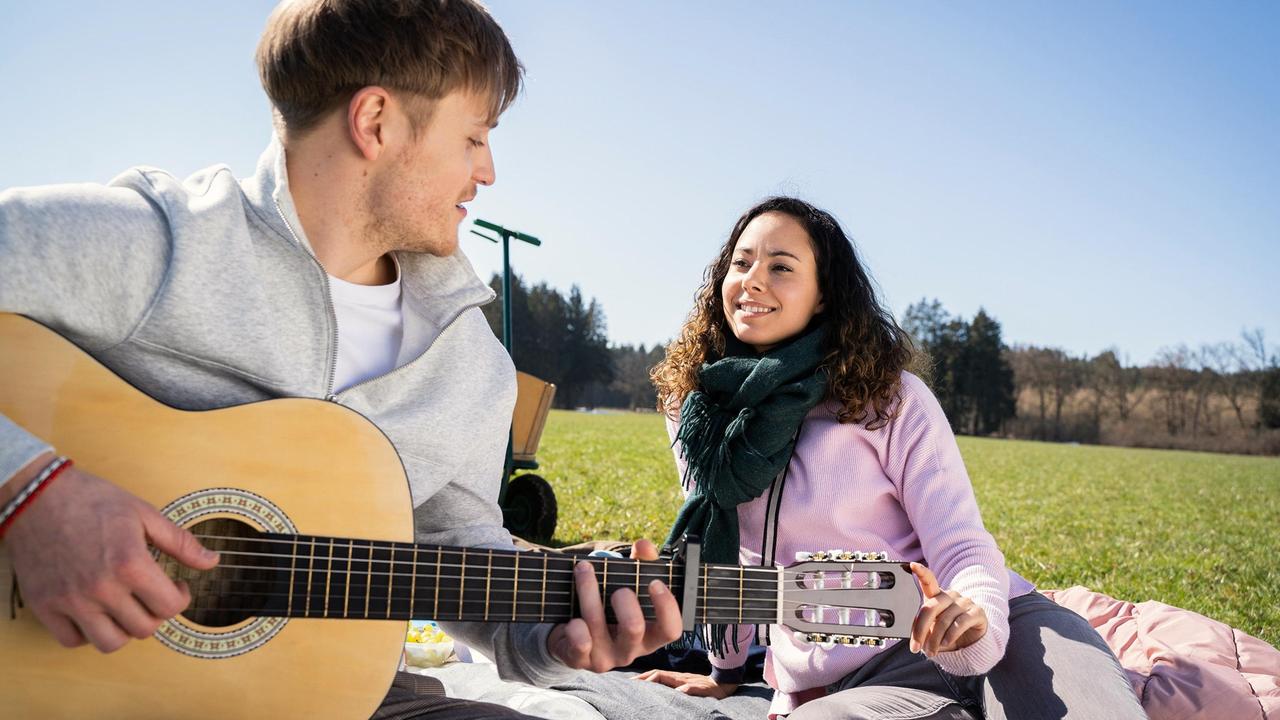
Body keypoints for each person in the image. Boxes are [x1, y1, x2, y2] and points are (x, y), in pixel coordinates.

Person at [0, 2, 679, 718]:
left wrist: (558, 639)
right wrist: (31, 491)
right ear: (376, 122)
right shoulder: (160, 244)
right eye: (475, 137)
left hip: (349, 699)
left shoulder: (469, 359)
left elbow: (467, 559)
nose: (488, 172)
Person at [636, 197, 1146, 719]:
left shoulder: (889, 398)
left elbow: (962, 543)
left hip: (1007, 632)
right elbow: (737, 558)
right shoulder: (697, 413)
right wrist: (725, 674)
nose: (753, 280)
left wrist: (975, 619)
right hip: (851, 682)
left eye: (781, 267)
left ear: (822, 297)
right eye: (741, 263)